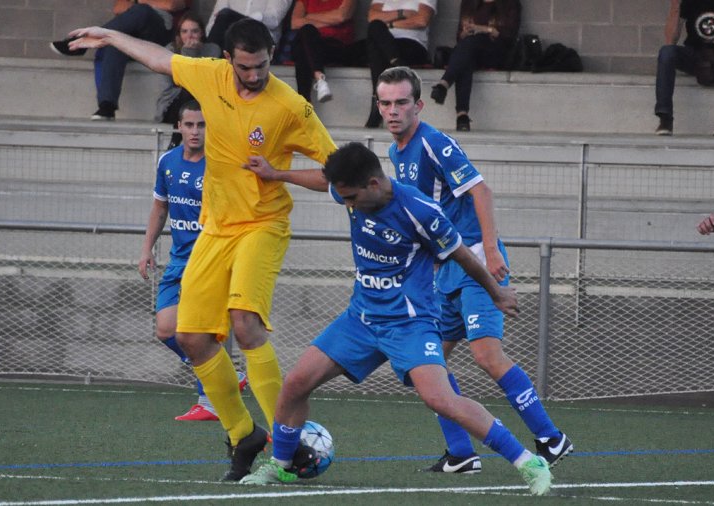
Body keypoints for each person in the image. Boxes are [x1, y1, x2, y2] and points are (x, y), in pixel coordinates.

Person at [67, 17, 337, 481]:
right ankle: (242, 433)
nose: (254, 76)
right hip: (215, 230)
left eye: (263, 66)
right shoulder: (209, 74)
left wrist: (280, 173)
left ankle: (283, 442)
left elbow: (336, 172)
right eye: (246, 67)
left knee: (244, 321)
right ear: (228, 59)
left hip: (262, 225)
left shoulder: (291, 107)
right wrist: (110, 36)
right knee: (189, 336)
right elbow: (157, 58)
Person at [239, 142, 553, 496]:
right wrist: (277, 174)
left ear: (374, 183)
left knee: (441, 399)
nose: (348, 205)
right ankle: (281, 467)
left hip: (410, 324)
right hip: (360, 318)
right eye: (343, 197)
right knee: (295, 382)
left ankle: (529, 462)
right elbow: (319, 181)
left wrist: (496, 293)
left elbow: (462, 255)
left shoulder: (421, 211)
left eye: (352, 197)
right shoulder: (351, 190)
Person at [375, 66, 572, 473]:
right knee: (426, 368)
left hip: (476, 263)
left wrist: (491, 251)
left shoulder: (434, 143)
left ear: (419, 105)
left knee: (486, 355)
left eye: (401, 102)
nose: (393, 110)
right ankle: (461, 453)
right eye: (385, 103)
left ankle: (551, 438)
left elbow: (480, 189)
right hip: (445, 271)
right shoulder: (396, 152)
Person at [139, 100, 246, 422]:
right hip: (179, 260)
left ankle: (208, 401)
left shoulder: (220, 164)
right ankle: (224, 372)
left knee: (199, 332)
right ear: (179, 127)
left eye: (202, 125)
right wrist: (146, 249)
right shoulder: (167, 162)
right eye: (189, 125)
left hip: (211, 261)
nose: (195, 131)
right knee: (165, 329)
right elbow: (160, 208)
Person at [50, 0, 189, 121]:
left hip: (161, 31)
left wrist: (138, 3)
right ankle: (107, 106)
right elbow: (118, 7)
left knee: (142, 11)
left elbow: (172, 4)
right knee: (113, 43)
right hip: (132, 30)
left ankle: (88, 39)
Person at [429, 0, 521, 132]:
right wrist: (465, 33)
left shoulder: (510, 4)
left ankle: (444, 84)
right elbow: (459, 38)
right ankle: (462, 116)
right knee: (466, 57)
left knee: (470, 46)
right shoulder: (469, 3)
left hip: (497, 52)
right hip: (471, 51)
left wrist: (484, 29)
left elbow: (509, 36)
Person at [654, 0, 714, 136]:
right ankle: (665, 118)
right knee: (666, 52)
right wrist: (675, 6)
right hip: (697, 55)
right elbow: (670, 40)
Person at [363, 0, 437, 128]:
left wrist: (388, 23)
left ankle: (377, 104)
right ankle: (396, 62)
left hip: (411, 44)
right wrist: (402, 13)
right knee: (375, 27)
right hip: (383, 43)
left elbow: (421, 20)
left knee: (377, 39)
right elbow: (372, 17)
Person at [155, 13, 222, 147]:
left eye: (194, 31)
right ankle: (175, 141)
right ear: (179, 34)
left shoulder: (212, 50)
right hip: (173, 105)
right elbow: (172, 88)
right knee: (189, 88)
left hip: (203, 104)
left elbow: (209, 83)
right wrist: (187, 53)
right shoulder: (171, 50)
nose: (189, 36)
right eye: (184, 31)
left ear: (202, 33)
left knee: (196, 89)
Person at [288, 0, 358, 103]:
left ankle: (304, 103)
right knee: (307, 33)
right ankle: (319, 78)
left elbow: (341, 16)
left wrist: (308, 17)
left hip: (335, 46)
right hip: (311, 44)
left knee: (304, 45)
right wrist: (329, 19)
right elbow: (295, 22)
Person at [205, 0, 294, 47]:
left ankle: (208, 57)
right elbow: (216, 17)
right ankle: (209, 50)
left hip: (263, 37)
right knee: (224, 15)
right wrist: (209, 35)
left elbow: (274, 19)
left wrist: (248, 19)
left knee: (226, 15)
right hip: (230, 36)